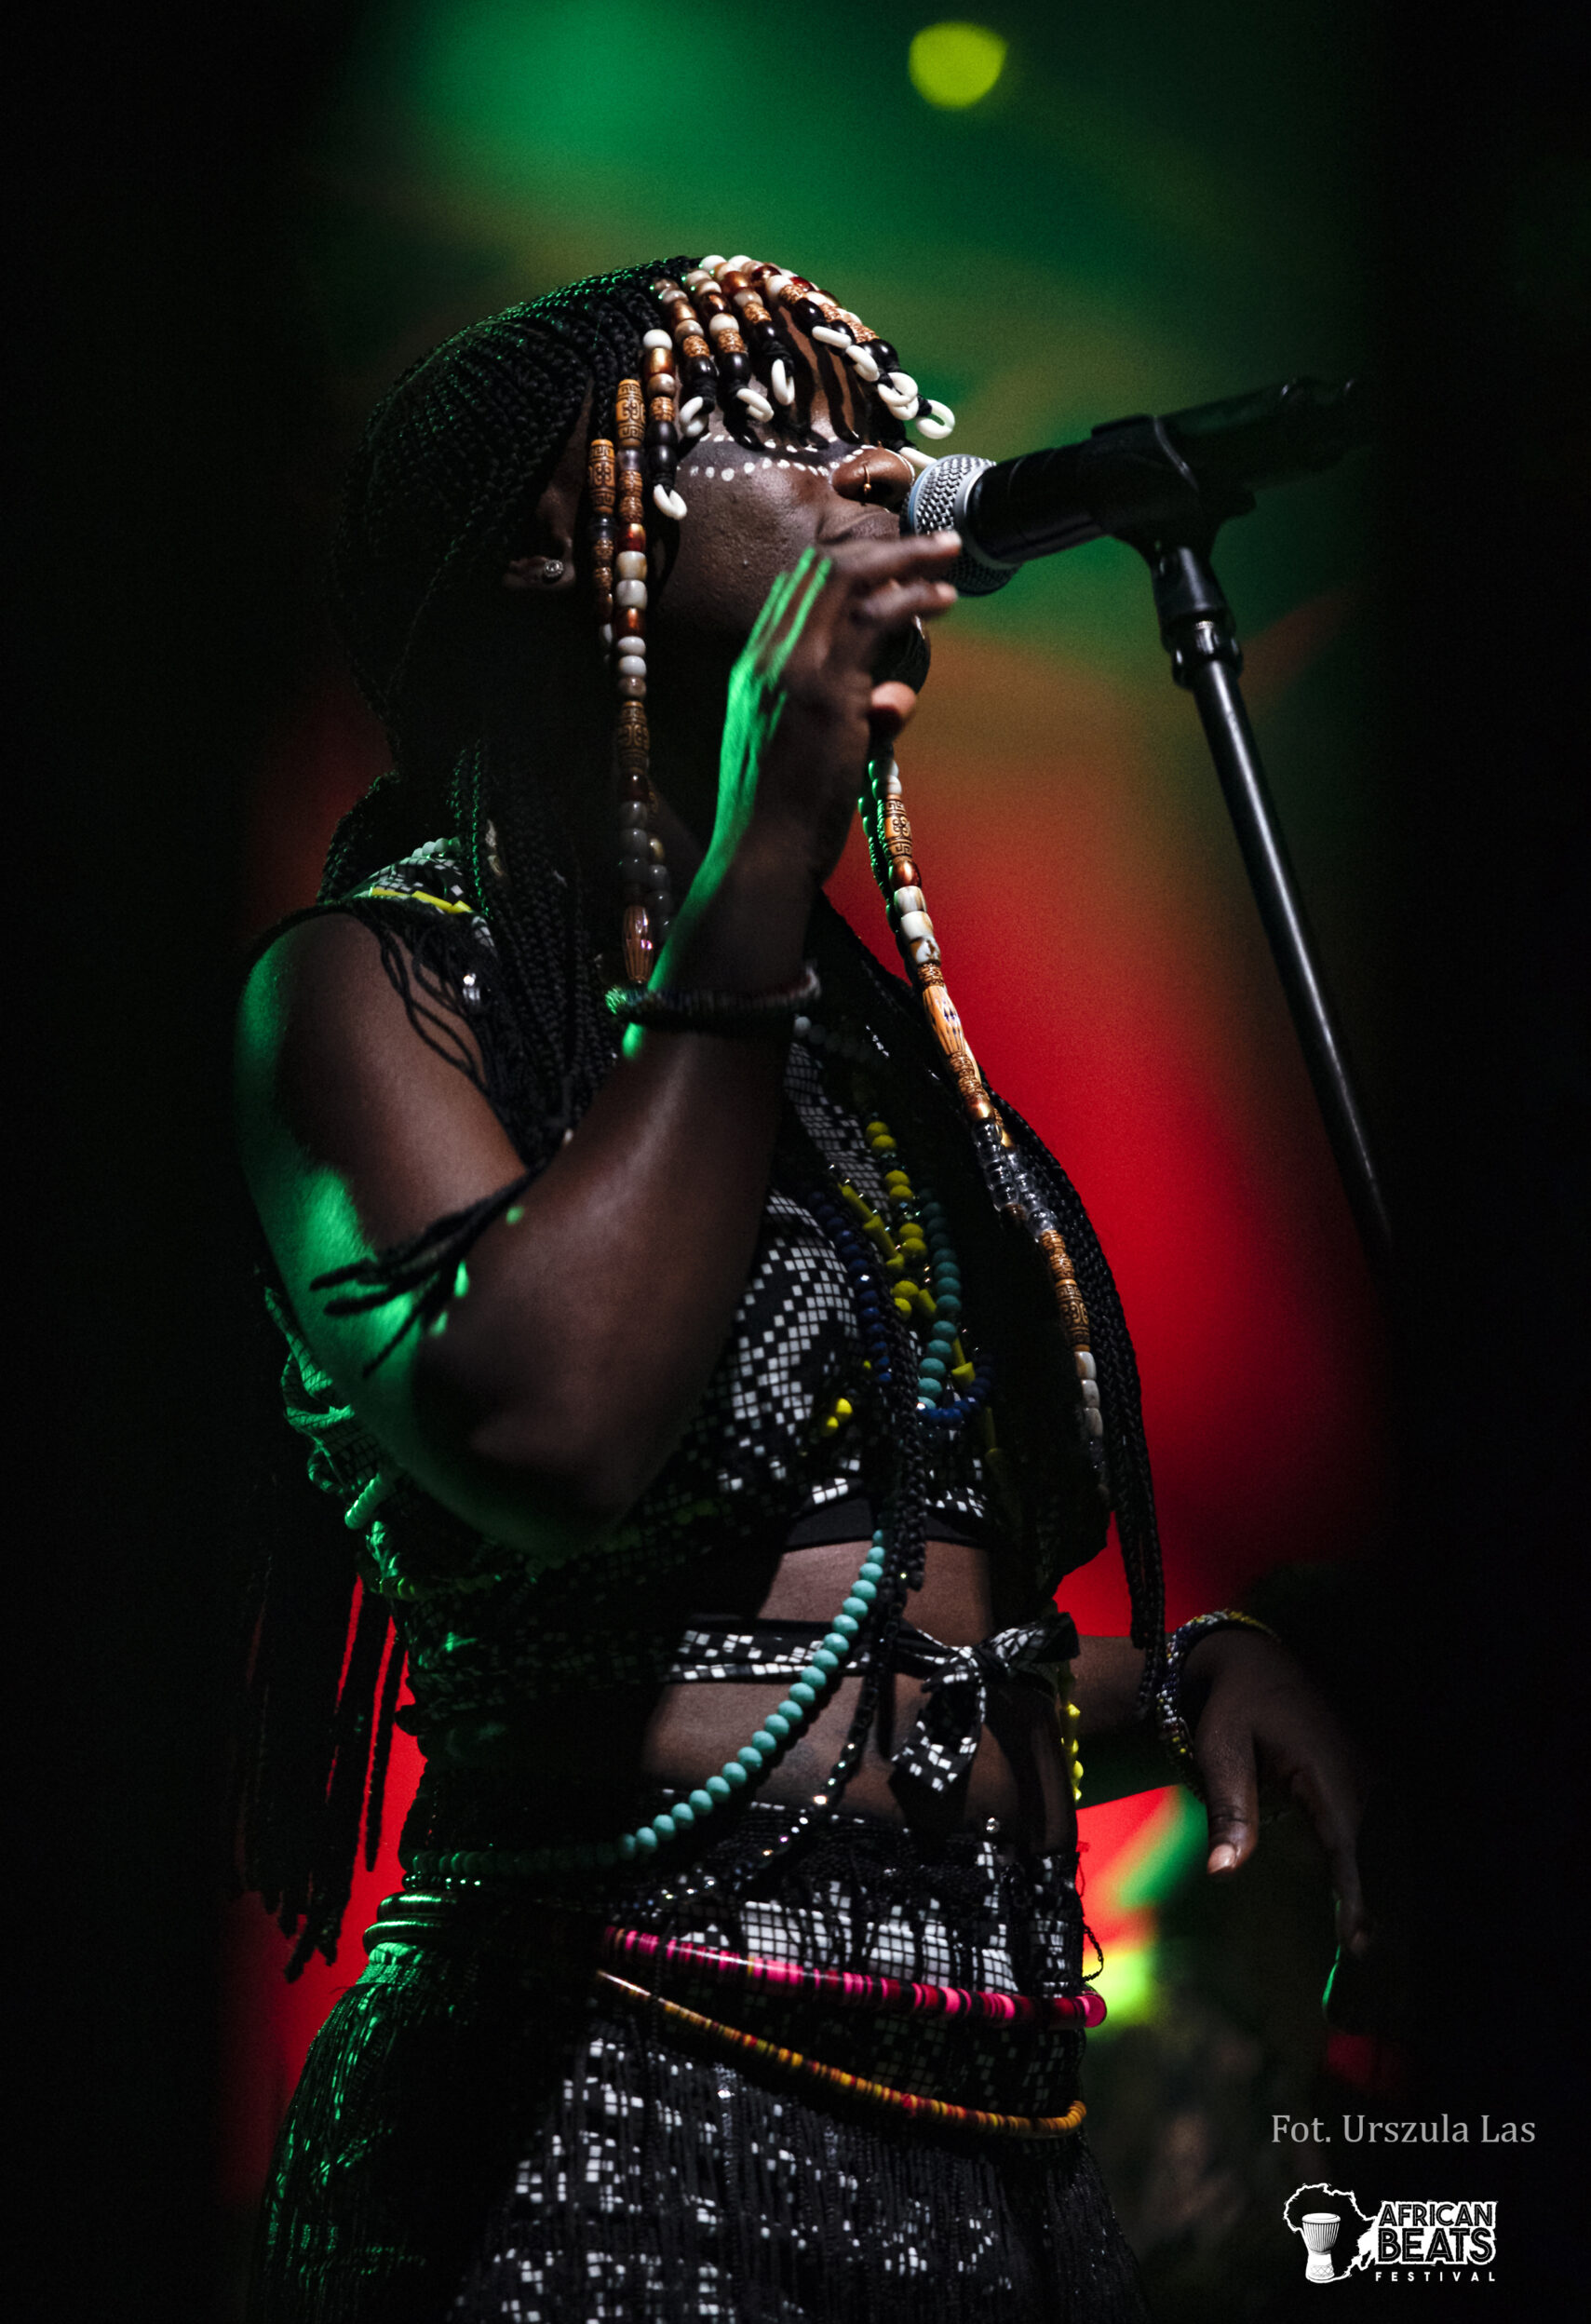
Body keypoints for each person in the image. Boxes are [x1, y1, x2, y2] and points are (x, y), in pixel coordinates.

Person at [234, 255, 1367, 2323]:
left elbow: (874, 1653)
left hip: (1001, 2146)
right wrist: (760, 851)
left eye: (874, 416)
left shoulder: (871, 1066)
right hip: (598, 2109)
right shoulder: (377, 989)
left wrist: (1188, 1672)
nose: (864, 467)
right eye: (761, 422)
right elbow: (559, 1426)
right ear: (555, 539)